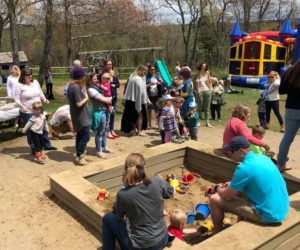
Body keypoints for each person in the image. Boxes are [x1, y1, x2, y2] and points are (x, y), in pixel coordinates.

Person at [209, 136, 289, 234]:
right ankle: (239, 225)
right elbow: (254, 181)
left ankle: (216, 233)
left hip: (268, 215)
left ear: (241, 150)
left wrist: (217, 187)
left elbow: (227, 196)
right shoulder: (262, 158)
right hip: (282, 209)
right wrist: (232, 185)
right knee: (239, 191)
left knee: (214, 199)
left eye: (231, 151)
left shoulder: (243, 168)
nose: (229, 154)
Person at [102, 153, 174, 250]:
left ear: (125, 171)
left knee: (107, 218)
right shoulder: (157, 181)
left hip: (142, 247)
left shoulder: (123, 194)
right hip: (163, 238)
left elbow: (118, 216)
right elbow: (171, 192)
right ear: (144, 168)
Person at [14, 68, 56, 154]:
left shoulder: (36, 82)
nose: (30, 76)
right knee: (31, 131)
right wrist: (22, 107)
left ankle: (47, 145)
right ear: (23, 76)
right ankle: (35, 149)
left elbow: (40, 93)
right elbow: (17, 99)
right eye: (28, 75)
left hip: (39, 109)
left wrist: (44, 99)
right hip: (27, 112)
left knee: (43, 127)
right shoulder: (19, 85)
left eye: (31, 74)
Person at [277, 59, 300, 172]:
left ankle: (280, 164)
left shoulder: (289, 71)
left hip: (291, 108)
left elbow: (281, 91)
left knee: (287, 138)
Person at [68, 66, 92, 166]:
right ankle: (80, 155)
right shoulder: (75, 87)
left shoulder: (73, 86)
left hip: (79, 116)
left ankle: (79, 155)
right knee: (86, 136)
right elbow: (78, 103)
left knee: (80, 135)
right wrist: (86, 97)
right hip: (81, 117)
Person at [88, 73, 113, 159]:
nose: (97, 80)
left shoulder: (99, 87)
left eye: (96, 78)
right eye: (94, 79)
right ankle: (99, 151)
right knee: (100, 132)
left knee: (105, 130)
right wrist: (110, 99)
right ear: (90, 80)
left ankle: (104, 147)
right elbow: (104, 99)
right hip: (99, 112)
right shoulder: (91, 90)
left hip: (105, 111)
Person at [121, 65, 150, 136]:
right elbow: (141, 91)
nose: (145, 74)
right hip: (137, 100)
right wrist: (145, 100)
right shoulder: (138, 79)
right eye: (145, 72)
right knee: (140, 115)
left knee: (133, 116)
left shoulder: (132, 77)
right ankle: (139, 131)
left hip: (130, 100)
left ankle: (134, 130)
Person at [98, 59, 120, 139]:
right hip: (106, 97)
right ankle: (107, 131)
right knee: (107, 114)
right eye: (108, 64)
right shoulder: (102, 75)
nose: (110, 65)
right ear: (105, 65)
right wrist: (109, 85)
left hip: (114, 96)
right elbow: (100, 85)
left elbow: (118, 84)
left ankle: (112, 130)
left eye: (111, 64)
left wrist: (115, 85)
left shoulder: (114, 74)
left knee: (113, 114)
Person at [192, 62, 212, 128]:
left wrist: (210, 89)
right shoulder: (197, 74)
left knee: (207, 108)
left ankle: (207, 122)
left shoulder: (207, 73)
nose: (204, 67)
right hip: (199, 92)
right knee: (199, 108)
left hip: (207, 91)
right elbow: (192, 81)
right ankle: (198, 122)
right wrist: (195, 90)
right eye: (203, 66)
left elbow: (210, 81)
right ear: (200, 66)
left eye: (205, 66)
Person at [146, 64, 163, 129]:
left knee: (157, 110)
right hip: (149, 97)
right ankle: (149, 124)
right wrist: (150, 84)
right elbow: (143, 86)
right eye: (151, 70)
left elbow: (163, 84)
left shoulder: (157, 76)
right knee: (149, 111)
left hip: (156, 96)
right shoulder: (146, 77)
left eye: (154, 69)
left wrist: (159, 83)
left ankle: (158, 123)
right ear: (149, 70)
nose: (153, 71)